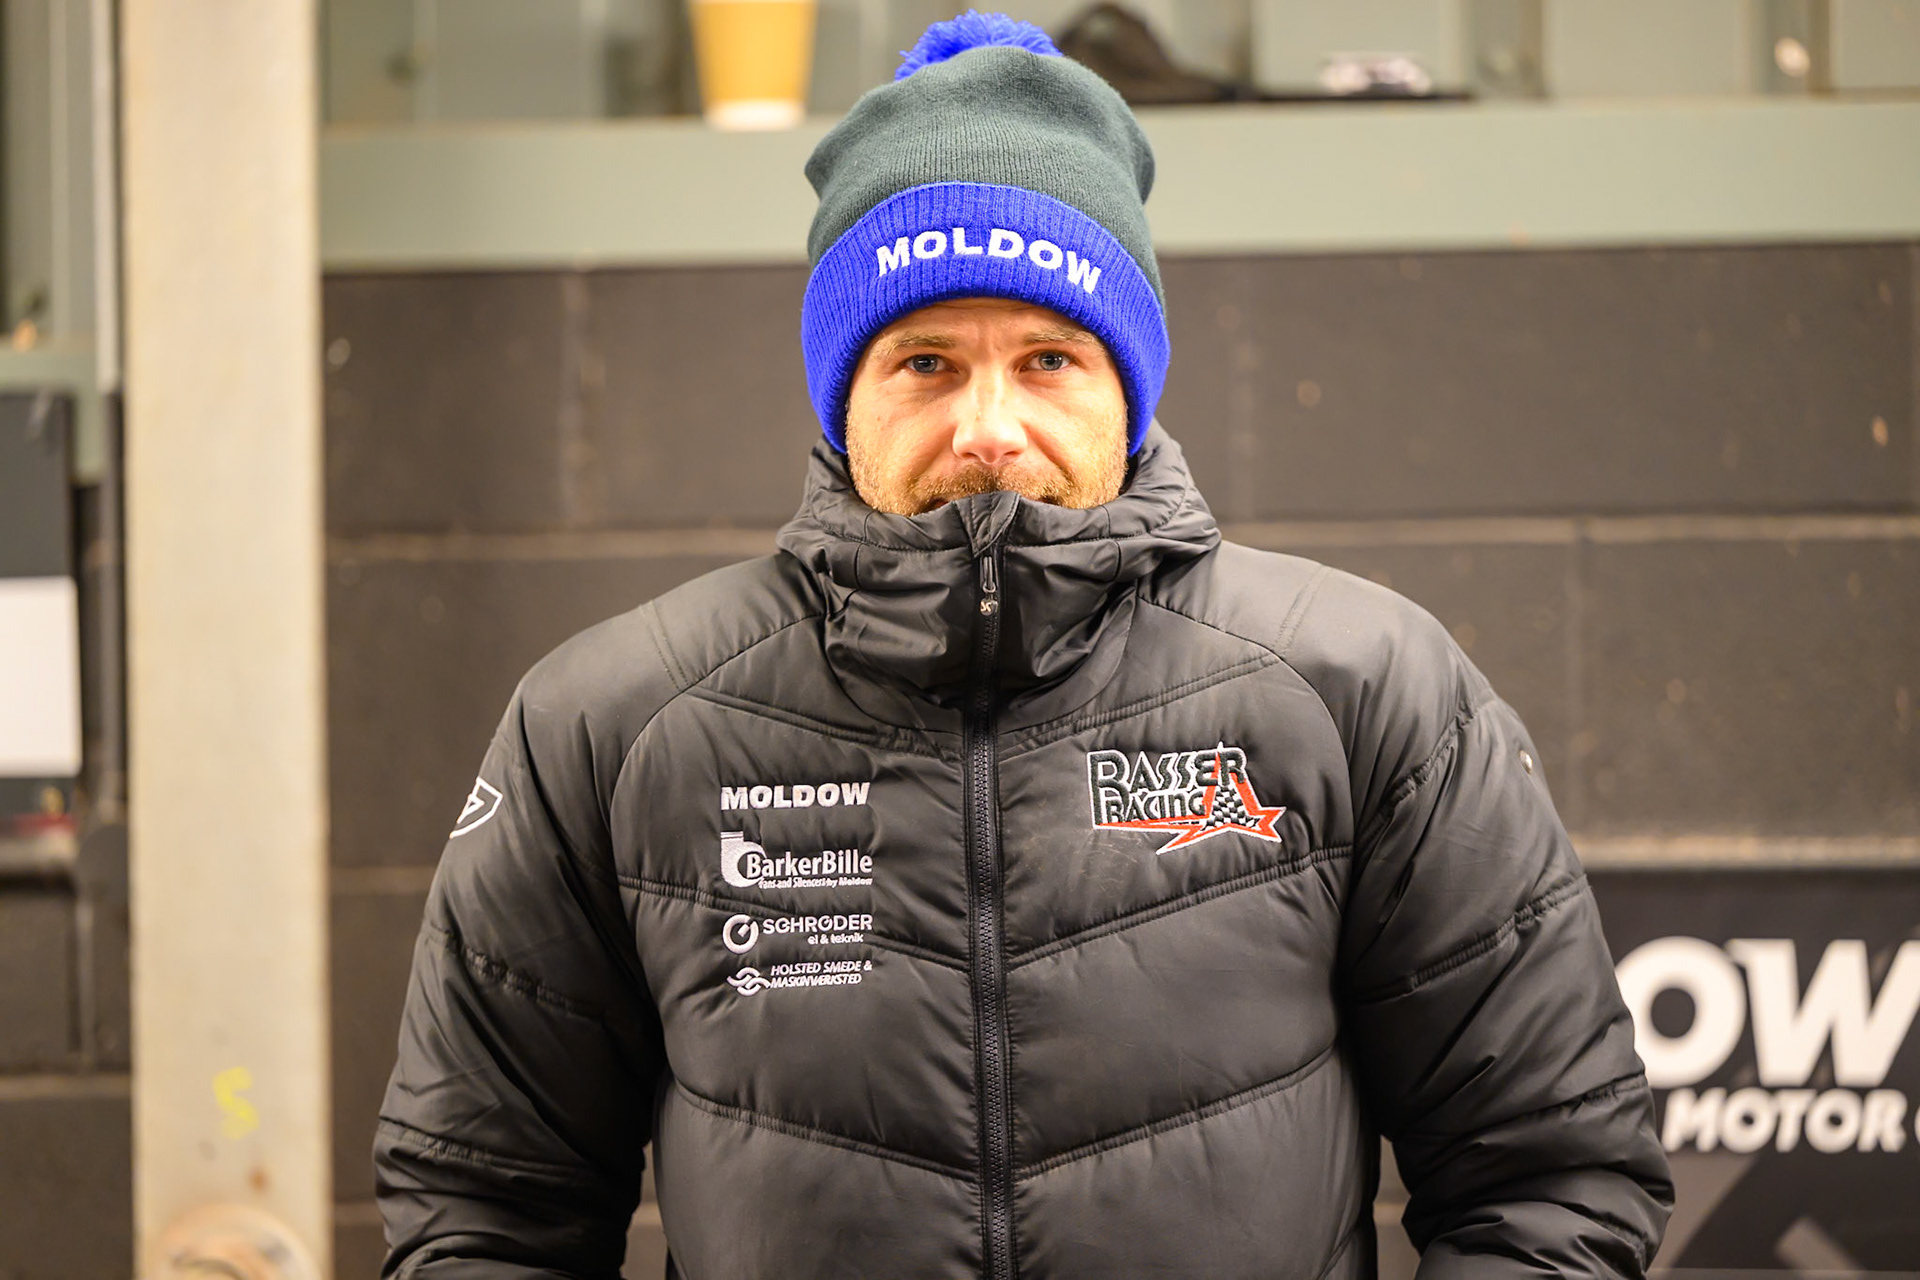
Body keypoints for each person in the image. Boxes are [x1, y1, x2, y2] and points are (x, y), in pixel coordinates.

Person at [374, 13, 1673, 1278]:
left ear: (1127, 382)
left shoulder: (1367, 690)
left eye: (1047, 358)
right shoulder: (609, 726)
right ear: (845, 397)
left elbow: (1550, 1171)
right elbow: (482, 1208)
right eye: (925, 362)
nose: (988, 427)